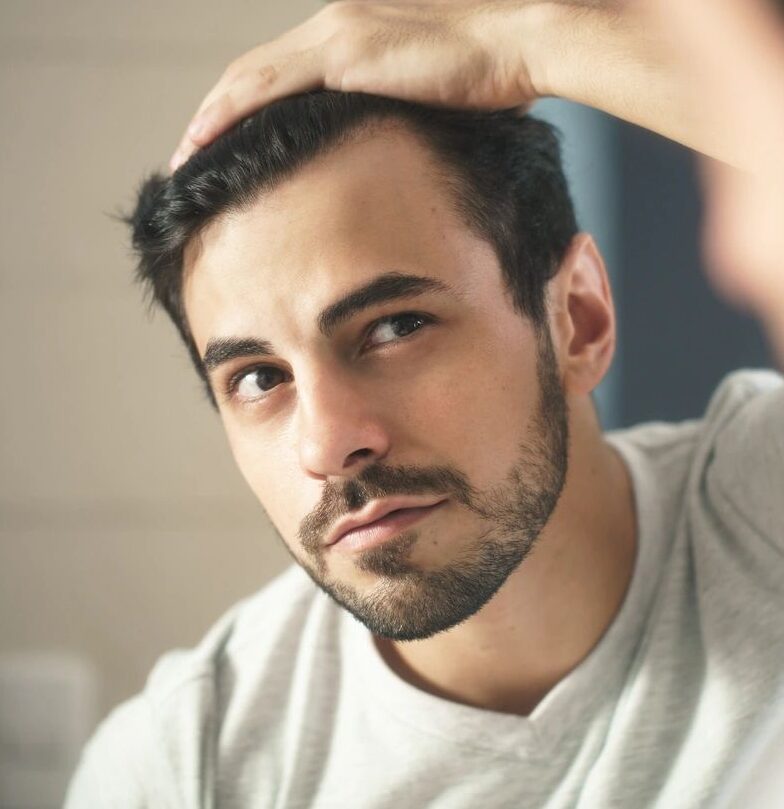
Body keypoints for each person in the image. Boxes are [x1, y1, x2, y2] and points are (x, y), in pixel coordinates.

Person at [65, 1, 784, 806]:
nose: (327, 443)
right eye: (261, 379)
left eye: (395, 326)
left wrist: (525, 43)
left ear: (577, 318)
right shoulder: (183, 767)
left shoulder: (764, 502)